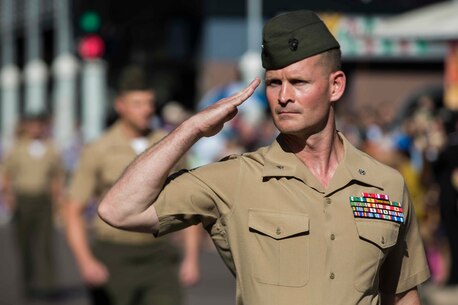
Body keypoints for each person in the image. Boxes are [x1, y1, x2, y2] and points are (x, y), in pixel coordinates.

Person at [98, 11, 430, 305]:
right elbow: (119, 209)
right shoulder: (237, 179)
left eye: (298, 82)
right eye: (274, 84)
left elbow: (401, 294)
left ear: (335, 86)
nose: (284, 97)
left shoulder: (385, 185)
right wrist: (191, 128)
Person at [64, 66, 200, 305]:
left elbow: (188, 202)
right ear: (120, 106)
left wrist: (191, 257)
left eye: (149, 102)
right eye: (137, 103)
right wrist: (85, 261)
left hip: (159, 255)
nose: (146, 110)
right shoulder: (99, 149)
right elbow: (72, 209)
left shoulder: (169, 145)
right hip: (114, 255)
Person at [2, 113, 64, 298]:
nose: (35, 129)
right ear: (26, 127)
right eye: (32, 126)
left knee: (46, 245)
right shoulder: (17, 148)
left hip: (43, 200)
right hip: (23, 199)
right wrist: (8, 198)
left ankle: (49, 286)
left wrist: (58, 199)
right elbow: (7, 173)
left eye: (39, 126)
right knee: (24, 244)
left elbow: (57, 176)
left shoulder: (51, 148)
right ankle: (28, 286)